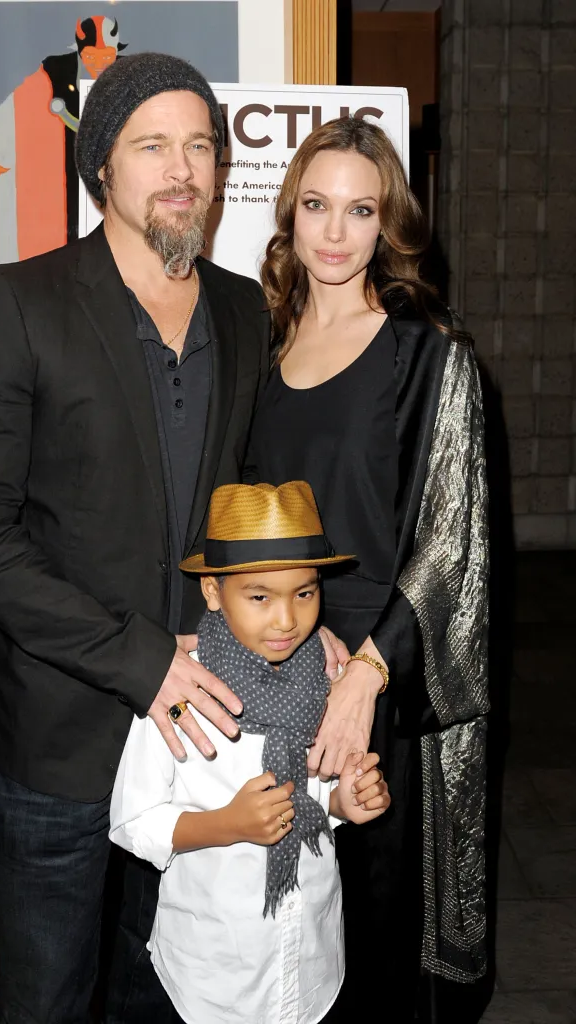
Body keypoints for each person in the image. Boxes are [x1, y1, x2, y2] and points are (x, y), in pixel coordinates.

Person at [0, 53, 274, 1024]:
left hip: (198, 739)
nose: (183, 169)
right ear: (101, 169)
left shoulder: (246, 311)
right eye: (153, 145)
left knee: (157, 989)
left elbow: (244, 506)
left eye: (201, 145)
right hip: (63, 741)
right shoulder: (14, 303)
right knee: (46, 996)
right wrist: (142, 660)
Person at [246, 117, 490, 1022]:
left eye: (360, 209)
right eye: (316, 206)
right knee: (282, 933)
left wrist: (368, 676)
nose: (335, 233)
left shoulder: (429, 355)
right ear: (291, 214)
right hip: (275, 664)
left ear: (388, 223)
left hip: (382, 680)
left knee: (376, 934)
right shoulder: (259, 347)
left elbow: (451, 540)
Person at [110, 480, 391, 1024]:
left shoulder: (325, 679)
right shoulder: (181, 694)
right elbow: (133, 822)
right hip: (216, 974)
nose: (286, 620)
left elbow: (314, 794)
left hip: (309, 960)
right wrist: (229, 824)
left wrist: (341, 804)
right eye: (260, 596)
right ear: (213, 592)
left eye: (305, 593)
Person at [0, 15, 128, 265]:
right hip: (61, 209)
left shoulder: (133, 80)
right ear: (79, 52)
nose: (98, 63)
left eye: (106, 56)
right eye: (91, 56)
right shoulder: (48, 81)